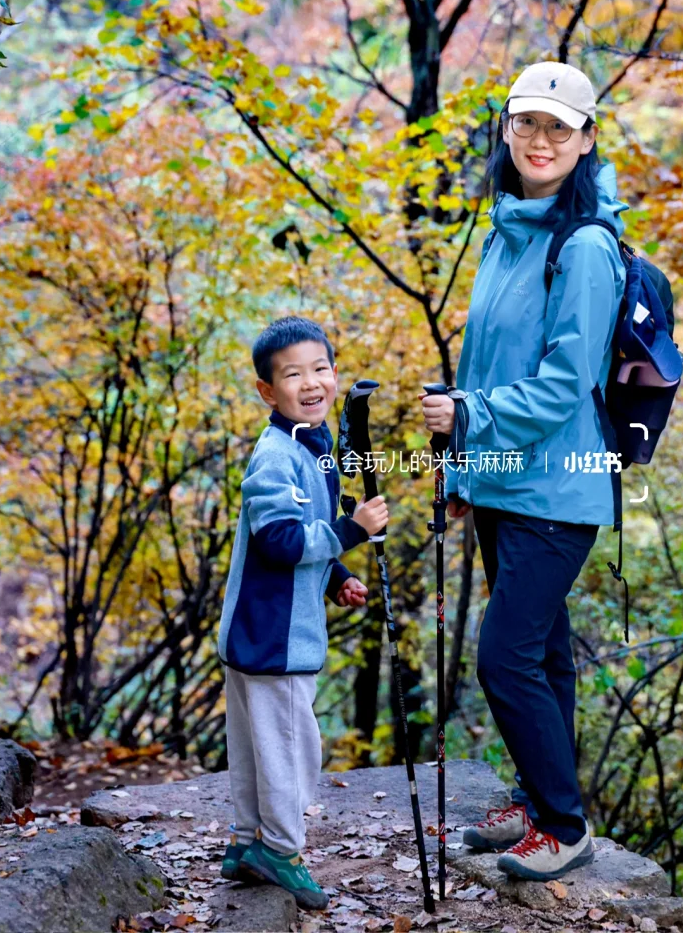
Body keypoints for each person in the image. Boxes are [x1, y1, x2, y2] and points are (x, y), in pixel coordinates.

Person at [420, 61, 627, 882]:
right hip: (505, 481)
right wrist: (463, 473)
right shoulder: (507, 233)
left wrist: (470, 420)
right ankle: (538, 803)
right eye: (526, 123)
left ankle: (565, 828)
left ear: (586, 139)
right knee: (540, 653)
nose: (540, 140)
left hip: (559, 486)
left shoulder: (585, 248)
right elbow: (481, 364)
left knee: (504, 657)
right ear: (506, 130)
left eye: (558, 127)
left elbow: (563, 385)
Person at [217, 315, 388, 910]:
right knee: (291, 750)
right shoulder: (277, 456)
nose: (311, 382)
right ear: (267, 391)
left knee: (255, 747)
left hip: (254, 633)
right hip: (276, 639)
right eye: (293, 375)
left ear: (335, 374)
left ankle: (246, 843)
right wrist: (350, 531)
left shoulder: (314, 446)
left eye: (320, 369)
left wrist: (335, 576)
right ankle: (282, 851)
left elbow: (301, 534)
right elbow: (280, 541)